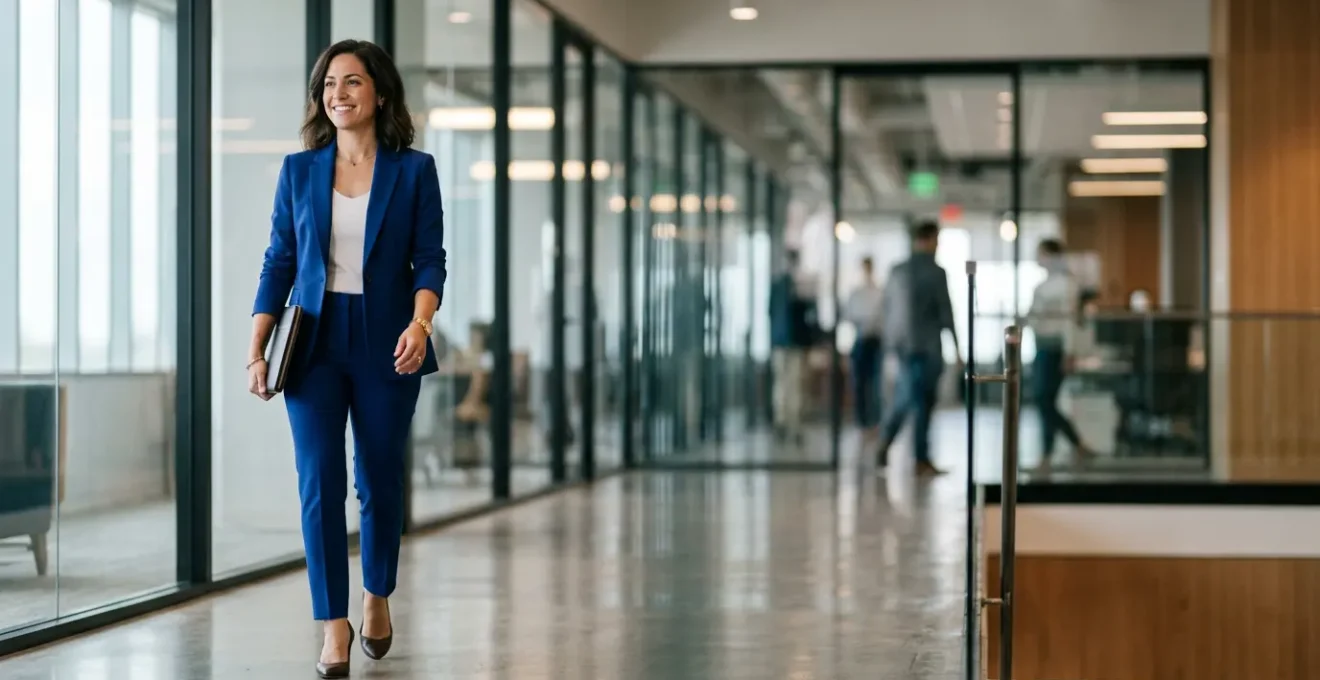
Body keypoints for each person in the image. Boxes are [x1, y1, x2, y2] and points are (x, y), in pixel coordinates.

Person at [245, 39, 446, 678]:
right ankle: (333, 624)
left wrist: (421, 323)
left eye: (353, 82)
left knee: (379, 480)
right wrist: (258, 343)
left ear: (379, 93)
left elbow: (430, 259)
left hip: (390, 341)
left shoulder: (414, 171)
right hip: (313, 343)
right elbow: (278, 260)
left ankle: (377, 593)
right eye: (329, 83)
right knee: (319, 483)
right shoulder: (299, 171)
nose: (339, 94)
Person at [876, 220, 959, 476]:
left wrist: (890, 345)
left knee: (908, 399)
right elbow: (946, 312)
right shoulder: (935, 272)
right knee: (921, 402)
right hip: (928, 347)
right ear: (930, 239)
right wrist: (958, 347)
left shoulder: (897, 270)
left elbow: (888, 311)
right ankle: (918, 457)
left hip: (903, 347)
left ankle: (889, 444)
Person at [1026, 239, 1094, 471]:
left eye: (1042, 254)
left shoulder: (1067, 285)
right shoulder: (1044, 285)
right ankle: (1074, 445)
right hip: (1041, 346)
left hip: (1055, 349)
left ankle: (1053, 452)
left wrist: (1069, 352)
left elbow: (1069, 323)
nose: (1039, 259)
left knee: (1045, 400)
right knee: (1044, 401)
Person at [768, 249, 817, 443]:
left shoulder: (785, 286)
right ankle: (786, 422)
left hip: (787, 342)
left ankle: (788, 422)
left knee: (789, 384)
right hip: (788, 342)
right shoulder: (791, 287)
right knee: (789, 384)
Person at [845, 256, 885, 433]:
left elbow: (885, 318)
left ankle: (875, 421)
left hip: (876, 342)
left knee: (875, 383)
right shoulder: (856, 293)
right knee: (860, 383)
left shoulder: (879, 292)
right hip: (861, 341)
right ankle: (862, 421)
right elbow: (848, 316)